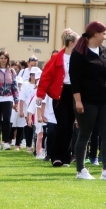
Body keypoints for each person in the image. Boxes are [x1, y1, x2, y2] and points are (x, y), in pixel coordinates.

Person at [70, 21, 106, 181]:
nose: (105, 37)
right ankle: (80, 170)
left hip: (105, 100)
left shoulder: (104, 51)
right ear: (95, 33)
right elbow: (74, 79)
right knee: (84, 134)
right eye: (103, 34)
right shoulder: (79, 53)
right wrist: (78, 101)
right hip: (86, 100)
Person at [37, 29, 78, 167]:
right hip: (60, 94)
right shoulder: (56, 58)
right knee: (61, 125)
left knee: (70, 127)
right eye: (77, 43)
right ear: (71, 43)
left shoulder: (79, 57)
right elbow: (46, 77)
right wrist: (40, 95)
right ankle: (56, 156)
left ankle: (66, 157)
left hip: (75, 93)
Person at [0, 51, 18, 151]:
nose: (3, 60)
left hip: (8, 98)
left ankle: (6, 142)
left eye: (5, 58)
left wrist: (16, 101)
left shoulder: (12, 71)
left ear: (8, 59)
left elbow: (15, 86)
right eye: (1, 58)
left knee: (6, 120)